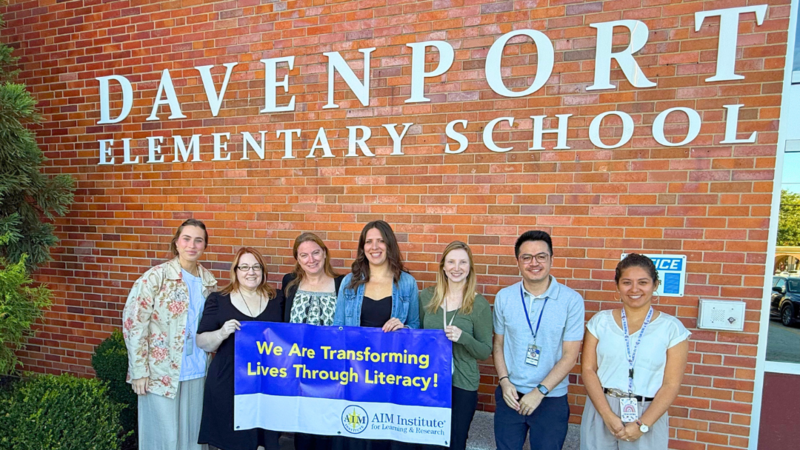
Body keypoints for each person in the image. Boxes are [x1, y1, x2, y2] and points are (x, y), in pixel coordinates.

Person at [122, 218, 217, 450]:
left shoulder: (209, 283)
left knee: (193, 437)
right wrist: (138, 371)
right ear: (176, 243)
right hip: (159, 372)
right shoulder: (156, 277)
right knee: (162, 438)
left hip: (196, 369)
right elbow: (134, 324)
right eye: (186, 239)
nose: (191, 245)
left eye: (198, 240)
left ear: (204, 246)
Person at [580, 254, 690, 450]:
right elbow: (588, 370)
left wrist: (643, 424)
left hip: (648, 412)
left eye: (643, 282)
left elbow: (671, 384)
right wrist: (607, 415)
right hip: (602, 407)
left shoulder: (672, 328)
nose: (634, 289)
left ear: (655, 285)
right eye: (627, 282)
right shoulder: (600, 322)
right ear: (617, 285)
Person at [492, 230, 585, 450]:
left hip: (551, 398)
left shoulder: (571, 300)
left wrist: (539, 392)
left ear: (551, 259)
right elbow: (498, 345)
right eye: (527, 257)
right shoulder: (504, 297)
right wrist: (504, 382)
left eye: (541, 256)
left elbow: (571, 355)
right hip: (510, 395)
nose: (534, 263)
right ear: (518, 261)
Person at [332, 220, 420, 450]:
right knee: (357, 434)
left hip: (391, 373)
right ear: (362, 248)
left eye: (381, 240)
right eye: (369, 241)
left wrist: (404, 329)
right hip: (355, 372)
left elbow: (415, 328)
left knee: (385, 434)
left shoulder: (407, 283)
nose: (375, 246)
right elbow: (338, 327)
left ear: (390, 244)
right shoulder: (348, 283)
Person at [196, 247, 285, 450]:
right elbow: (201, 341)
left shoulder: (277, 299)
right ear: (235, 271)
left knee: (264, 441)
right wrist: (221, 333)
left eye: (256, 267)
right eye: (244, 267)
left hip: (266, 382)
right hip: (228, 383)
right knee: (232, 441)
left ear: (263, 271)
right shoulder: (218, 300)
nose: (250, 272)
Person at [418, 241, 492, 450]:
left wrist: (464, 338)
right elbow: (417, 333)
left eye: (462, 262)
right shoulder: (427, 297)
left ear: (470, 268)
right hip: (429, 380)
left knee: (455, 441)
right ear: (443, 266)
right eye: (451, 262)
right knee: (428, 441)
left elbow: (485, 351)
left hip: (463, 383)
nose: (456, 268)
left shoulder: (479, 305)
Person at [281, 232, 344, 450]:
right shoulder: (289, 283)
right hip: (300, 372)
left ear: (325, 254)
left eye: (316, 252)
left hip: (334, 372)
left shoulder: (342, 283)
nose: (311, 259)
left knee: (331, 432)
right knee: (304, 432)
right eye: (304, 255)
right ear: (297, 259)